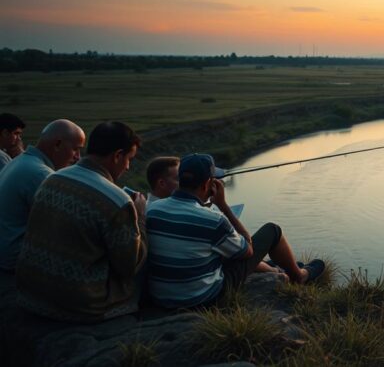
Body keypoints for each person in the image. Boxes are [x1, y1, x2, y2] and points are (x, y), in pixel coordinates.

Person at [146, 153, 324, 309]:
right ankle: (298, 276)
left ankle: (278, 270)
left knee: (220, 249)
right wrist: (223, 207)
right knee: (272, 230)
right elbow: (248, 250)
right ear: (208, 183)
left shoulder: (151, 210)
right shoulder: (213, 219)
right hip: (201, 298)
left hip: (161, 297)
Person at [16, 121, 147, 323]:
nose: (128, 166)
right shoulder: (118, 201)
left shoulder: (52, 179)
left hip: (31, 293)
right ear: (117, 155)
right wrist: (140, 218)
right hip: (78, 303)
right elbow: (128, 266)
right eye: (129, 159)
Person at [0, 120, 86, 272]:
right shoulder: (41, 174)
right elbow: (67, 225)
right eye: (75, 149)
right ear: (57, 144)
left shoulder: (20, 161)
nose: (78, 157)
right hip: (14, 270)